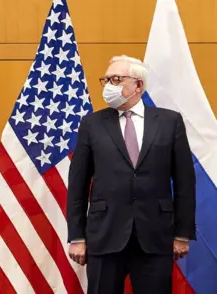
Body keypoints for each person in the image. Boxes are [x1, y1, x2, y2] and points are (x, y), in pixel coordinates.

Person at [66, 55, 196, 294]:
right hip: (104, 235)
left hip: (155, 236)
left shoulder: (169, 122)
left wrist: (182, 233)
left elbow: (185, 182)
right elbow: (77, 184)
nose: (108, 86)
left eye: (116, 79)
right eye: (106, 80)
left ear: (138, 85)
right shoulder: (92, 124)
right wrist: (77, 236)